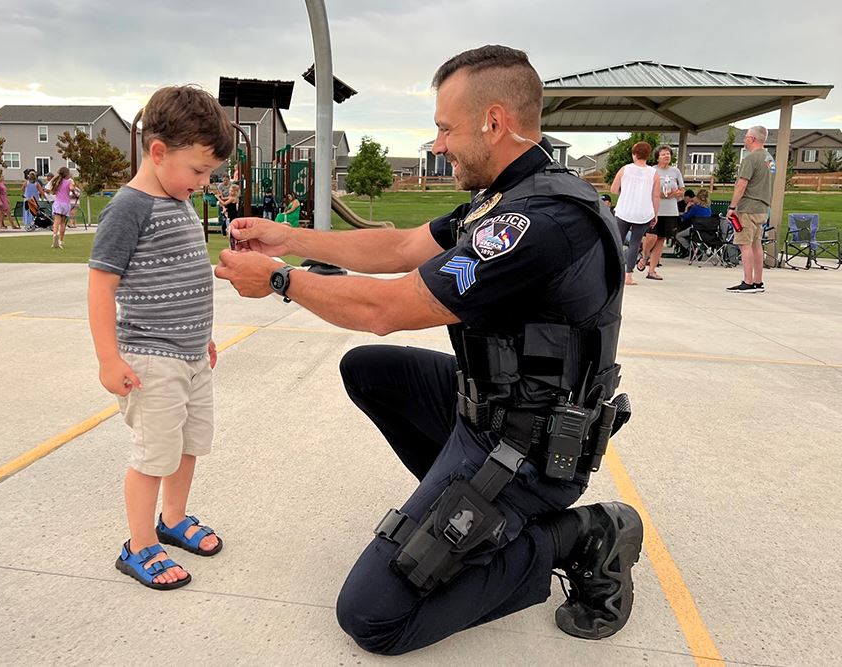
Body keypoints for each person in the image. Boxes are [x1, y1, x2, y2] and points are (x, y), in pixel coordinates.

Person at [216, 45, 642, 655]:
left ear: (494, 122)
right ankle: (469, 519)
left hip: (529, 446)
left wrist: (280, 279)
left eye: (446, 128)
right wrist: (288, 237)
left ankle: (579, 535)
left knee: (372, 617)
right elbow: (402, 247)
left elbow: (385, 309)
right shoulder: (507, 194)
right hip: (494, 413)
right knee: (371, 373)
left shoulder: (538, 222)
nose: (438, 143)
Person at [87, 84, 235, 590]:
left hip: (191, 355)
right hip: (150, 358)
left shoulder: (180, 198)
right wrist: (109, 359)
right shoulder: (129, 208)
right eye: (198, 170)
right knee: (153, 455)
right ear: (157, 152)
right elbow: (101, 285)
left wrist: (204, 335)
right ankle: (139, 544)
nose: (203, 181)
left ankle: (172, 520)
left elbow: (184, 280)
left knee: (188, 446)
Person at [726, 126, 773, 293]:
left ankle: (748, 281)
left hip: (748, 207)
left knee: (744, 244)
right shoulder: (768, 158)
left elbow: (742, 184)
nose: (744, 140)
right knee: (756, 244)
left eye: (746, 137)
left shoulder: (750, 159)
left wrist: (732, 207)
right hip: (762, 207)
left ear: (752, 139)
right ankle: (758, 281)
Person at [610, 141, 660, 285]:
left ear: (634, 154)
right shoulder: (653, 173)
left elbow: (613, 189)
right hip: (643, 213)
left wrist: (625, 192)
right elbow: (656, 196)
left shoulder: (625, 169)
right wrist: (655, 214)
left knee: (617, 241)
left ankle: (613, 272)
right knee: (635, 243)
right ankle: (628, 276)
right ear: (648, 155)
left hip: (624, 210)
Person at [638, 145, 684, 280]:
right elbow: (646, 189)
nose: (666, 156)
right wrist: (661, 195)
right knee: (651, 236)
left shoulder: (675, 171)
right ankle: (644, 255)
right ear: (657, 156)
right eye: (663, 154)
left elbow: (682, 190)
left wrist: (676, 193)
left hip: (670, 211)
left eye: (668, 154)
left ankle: (652, 270)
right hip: (654, 209)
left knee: (661, 240)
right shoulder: (651, 171)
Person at [674, 189, 711, 256]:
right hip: (707, 231)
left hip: (696, 231)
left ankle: (692, 249)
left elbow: (685, 217)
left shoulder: (695, 208)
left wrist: (687, 208)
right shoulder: (708, 208)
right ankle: (695, 250)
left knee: (678, 236)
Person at [47, 166, 74, 248]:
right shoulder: (68, 182)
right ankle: (60, 241)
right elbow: (72, 189)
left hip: (58, 203)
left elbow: (52, 191)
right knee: (63, 223)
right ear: (67, 174)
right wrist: (72, 186)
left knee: (56, 222)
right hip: (66, 204)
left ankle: (55, 236)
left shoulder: (57, 182)